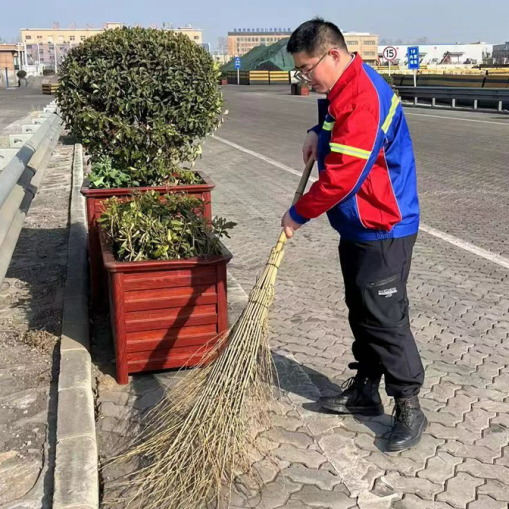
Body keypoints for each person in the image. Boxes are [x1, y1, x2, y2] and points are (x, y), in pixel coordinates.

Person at [281, 18, 427, 452]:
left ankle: (409, 406)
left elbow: (342, 178)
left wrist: (297, 214)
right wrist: (316, 131)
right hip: (357, 224)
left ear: (333, 54)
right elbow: (333, 118)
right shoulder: (342, 86)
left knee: (385, 318)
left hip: (384, 225)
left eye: (307, 69)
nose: (305, 78)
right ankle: (365, 389)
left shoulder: (363, 96)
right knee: (361, 310)